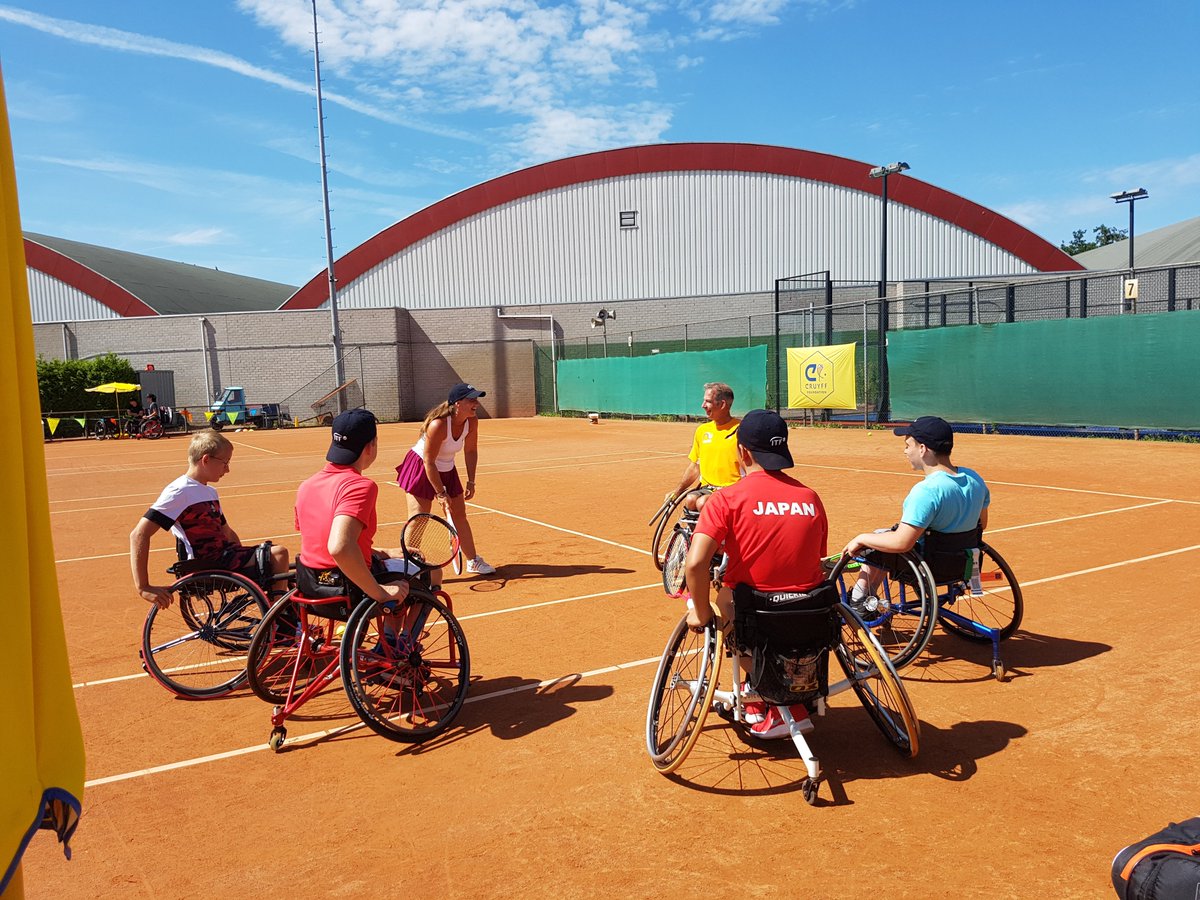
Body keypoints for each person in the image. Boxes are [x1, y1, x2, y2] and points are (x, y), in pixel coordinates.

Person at [684, 409, 829, 740]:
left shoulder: (726, 499)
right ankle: (780, 692)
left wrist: (701, 613)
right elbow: (815, 557)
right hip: (809, 610)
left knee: (724, 601)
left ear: (742, 451)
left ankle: (776, 697)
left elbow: (694, 565)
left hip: (756, 611)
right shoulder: (811, 497)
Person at [130, 430, 290, 609]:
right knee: (278, 554)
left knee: (284, 569)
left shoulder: (209, 491)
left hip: (225, 556)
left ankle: (280, 611)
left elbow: (227, 532)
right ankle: (278, 617)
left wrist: (245, 556)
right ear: (206, 459)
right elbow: (139, 534)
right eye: (225, 463)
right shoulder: (179, 491)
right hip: (207, 562)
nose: (227, 469)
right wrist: (143, 587)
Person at [842, 415, 990, 608]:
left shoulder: (926, 491)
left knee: (875, 541)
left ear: (922, 449)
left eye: (907, 445)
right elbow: (982, 524)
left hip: (928, 565)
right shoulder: (974, 479)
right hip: (963, 562)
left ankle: (858, 600)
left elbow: (902, 542)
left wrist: (861, 538)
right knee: (884, 535)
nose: (905, 451)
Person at [294, 408, 416, 608]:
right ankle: (392, 628)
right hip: (348, 586)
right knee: (429, 573)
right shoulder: (360, 486)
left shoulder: (306, 485)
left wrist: (381, 552)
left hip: (311, 584)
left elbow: (321, 543)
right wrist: (380, 592)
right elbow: (339, 548)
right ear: (370, 446)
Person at [395, 383, 495, 575]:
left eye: (476, 399)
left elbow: (471, 450)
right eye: (471, 400)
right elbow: (428, 461)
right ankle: (404, 566)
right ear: (458, 403)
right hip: (421, 466)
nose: (476, 403)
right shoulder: (439, 424)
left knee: (459, 515)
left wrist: (471, 481)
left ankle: (472, 561)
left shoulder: (472, 422)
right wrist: (440, 493)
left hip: (447, 467)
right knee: (419, 517)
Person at [665, 382, 741, 514]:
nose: (703, 405)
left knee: (703, 502)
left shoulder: (741, 430)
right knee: (690, 500)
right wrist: (677, 492)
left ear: (722, 404)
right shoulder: (702, 431)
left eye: (708, 401)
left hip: (733, 489)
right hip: (708, 488)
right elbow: (695, 467)